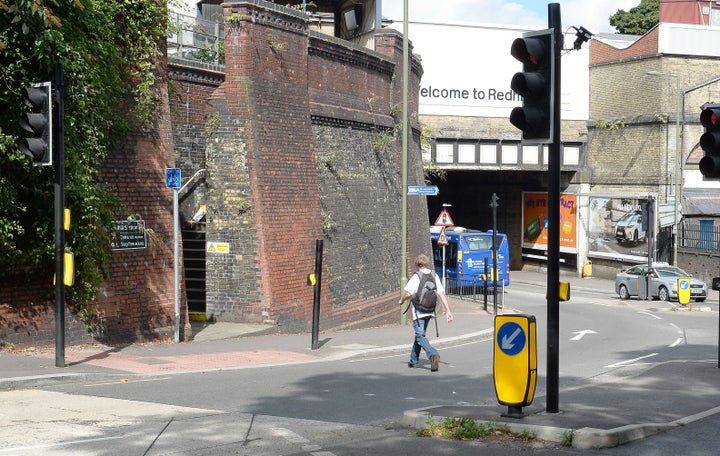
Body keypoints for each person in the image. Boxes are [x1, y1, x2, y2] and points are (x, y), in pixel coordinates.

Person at [398, 254, 453, 372]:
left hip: (419, 311)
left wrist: (401, 300)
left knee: (420, 336)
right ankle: (414, 361)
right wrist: (448, 310)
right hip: (430, 311)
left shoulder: (417, 276)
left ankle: (433, 354)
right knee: (420, 335)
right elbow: (441, 293)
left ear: (418, 265)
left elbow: (408, 294)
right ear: (426, 263)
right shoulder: (434, 275)